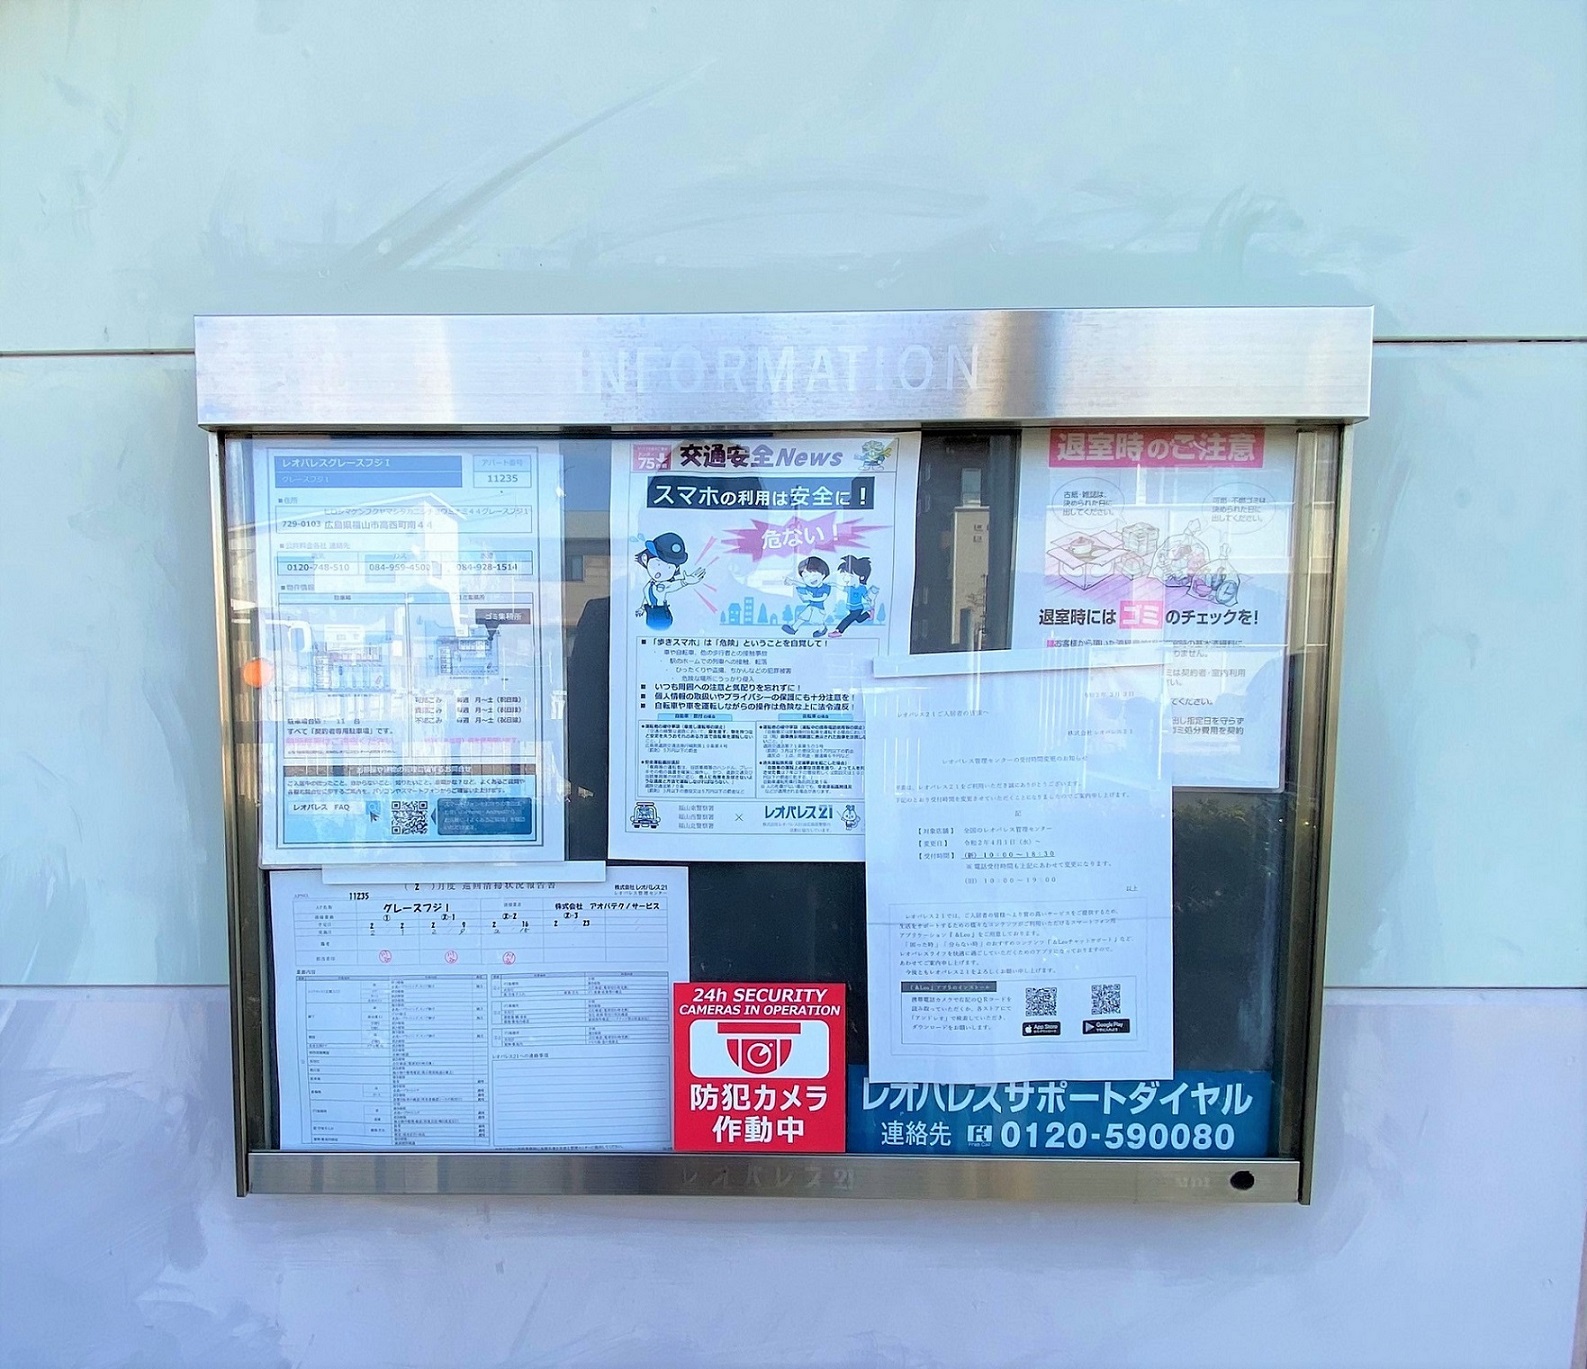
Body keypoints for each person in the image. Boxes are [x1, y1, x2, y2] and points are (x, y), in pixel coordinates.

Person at [634, 532, 703, 631]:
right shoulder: (650, 584)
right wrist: (642, 608)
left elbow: (672, 586)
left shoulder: (663, 585)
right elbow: (647, 596)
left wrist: (685, 582)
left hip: (660, 614)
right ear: (645, 559)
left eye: (669, 568)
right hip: (650, 612)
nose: (661, 571)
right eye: (658, 564)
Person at [782, 555, 832, 636]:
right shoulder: (810, 586)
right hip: (811, 607)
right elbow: (802, 585)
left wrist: (811, 598)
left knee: (817, 621)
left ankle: (822, 629)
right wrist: (792, 582)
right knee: (803, 617)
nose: (810, 579)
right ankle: (794, 628)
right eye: (806, 576)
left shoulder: (825, 587)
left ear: (823, 574)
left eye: (813, 575)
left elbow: (823, 597)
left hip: (819, 609)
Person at [830, 554, 878, 635]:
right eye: (844, 575)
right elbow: (841, 587)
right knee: (859, 620)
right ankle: (868, 613)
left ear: (861, 577)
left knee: (848, 619)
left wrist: (870, 600)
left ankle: (839, 631)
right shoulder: (850, 588)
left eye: (850, 576)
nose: (845, 579)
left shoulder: (861, 588)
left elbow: (866, 596)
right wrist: (833, 584)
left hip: (858, 608)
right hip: (851, 608)